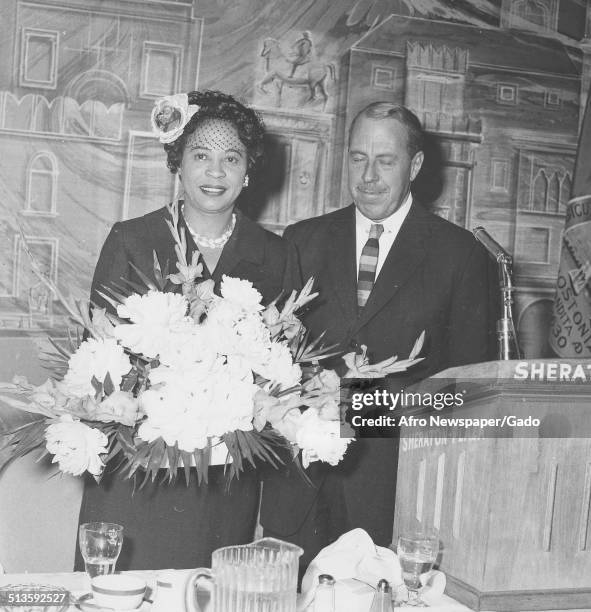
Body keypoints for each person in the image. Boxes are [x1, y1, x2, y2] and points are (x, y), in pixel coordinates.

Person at [261, 102, 498, 569]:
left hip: (396, 496)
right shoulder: (301, 240)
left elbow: (467, 391)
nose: (368, 176)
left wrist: (353, 403)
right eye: (357, 158)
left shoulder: (461, 255)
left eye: (385, 161)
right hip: (299, 492)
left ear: (415, 165)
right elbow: (271, 360)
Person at [75, 90, 297, 571]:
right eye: (200, 156)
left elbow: (283, 365)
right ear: (178, 163)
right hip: (137, 475)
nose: (215, 173)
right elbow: (96, 364)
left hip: (224, 483)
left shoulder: (275, 254)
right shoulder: (133, 240)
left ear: (248, 171)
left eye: (230, 158)